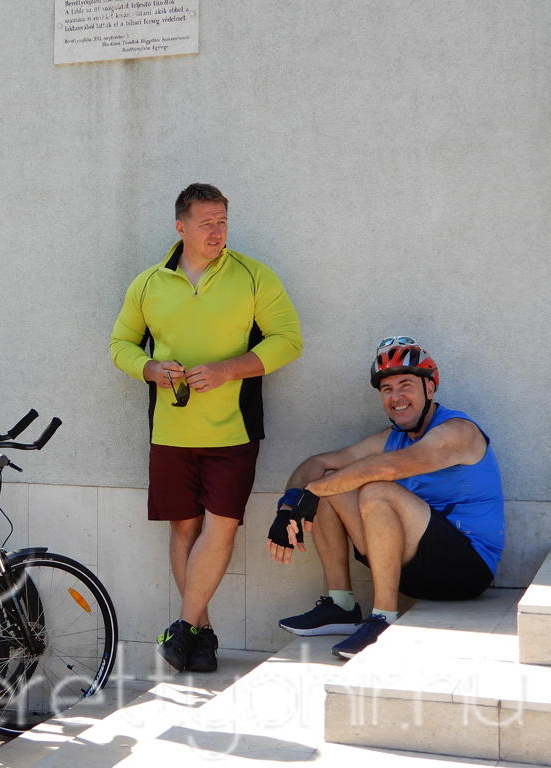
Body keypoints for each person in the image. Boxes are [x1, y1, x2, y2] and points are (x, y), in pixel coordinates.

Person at [111, 183, 302, 673]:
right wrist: (149, 368)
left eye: (222, 222)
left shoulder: (253, 276)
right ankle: (201, 634)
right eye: (206, 223)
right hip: (170, 431)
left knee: (221, 526)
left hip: (233, 430)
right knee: (184, 528)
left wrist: (228, 370)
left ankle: (182, 626)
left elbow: (289, 339)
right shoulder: (148, 284)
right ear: (181, 227)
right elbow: (120, 344)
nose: (217, 232)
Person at [268, 338, 505, 658]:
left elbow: (392, 467)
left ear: (430, 389)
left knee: (374, 489)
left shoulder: (458, 431)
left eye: (406, 385)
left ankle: (383, 618)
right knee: (330, 481)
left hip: (466, 570)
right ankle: (341, 605)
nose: (396, 397)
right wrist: (289, 506)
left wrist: (316, 491)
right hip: (410, 567)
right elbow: (319, 463)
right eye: (387, 389)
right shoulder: (393, 438)